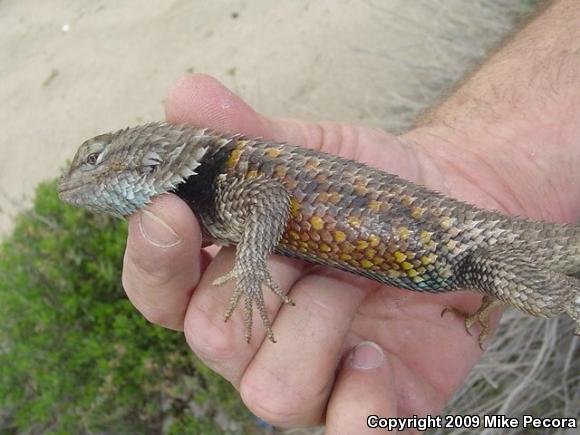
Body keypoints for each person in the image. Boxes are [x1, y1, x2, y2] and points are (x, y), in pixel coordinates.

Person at [121, 0, 580, 431]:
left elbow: (269, 201)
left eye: (95, 159)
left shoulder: (223, 174)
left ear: (142, 155)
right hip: (453, 253)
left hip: (461, 247)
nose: (81, 178)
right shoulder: (207, 195)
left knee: (548, 294)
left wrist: (250, 265)